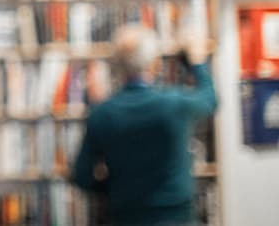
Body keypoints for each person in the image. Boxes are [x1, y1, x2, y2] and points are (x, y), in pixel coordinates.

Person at [72, 24, 216, 225]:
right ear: (154, 64)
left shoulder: (102, 114)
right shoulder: (173, 104)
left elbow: (81, 177)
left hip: (125, 217)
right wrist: (197, 62)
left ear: (117, 66)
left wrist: (114, 188)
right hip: (176, 218)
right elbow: (210, 99)